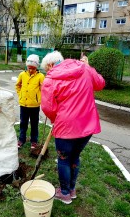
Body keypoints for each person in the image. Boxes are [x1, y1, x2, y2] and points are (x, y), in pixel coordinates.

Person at [40, 51, 105, 204]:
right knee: (74, 157)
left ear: (50, 65)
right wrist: (89, 66)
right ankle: (72, 189)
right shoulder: (84, 69)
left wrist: (55, 119)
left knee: (63, 159)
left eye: (46, 69)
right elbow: (100, 83)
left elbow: (48, 107)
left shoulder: (50, 79)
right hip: (87, 125)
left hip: (66, 129)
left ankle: (64, 193)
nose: (47, 72)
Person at [15, 54, 45, 149]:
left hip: (34, 106)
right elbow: (18, 85)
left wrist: (39, 98)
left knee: (34, 124)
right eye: (29, 68)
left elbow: (43, 89)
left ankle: (34, 141)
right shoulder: (22, 74)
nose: (30, 70)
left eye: (32, 68)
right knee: (23, 123)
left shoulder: (40, 76)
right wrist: (20, 95)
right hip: (23, 104)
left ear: (36, 67)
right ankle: (21, 139)